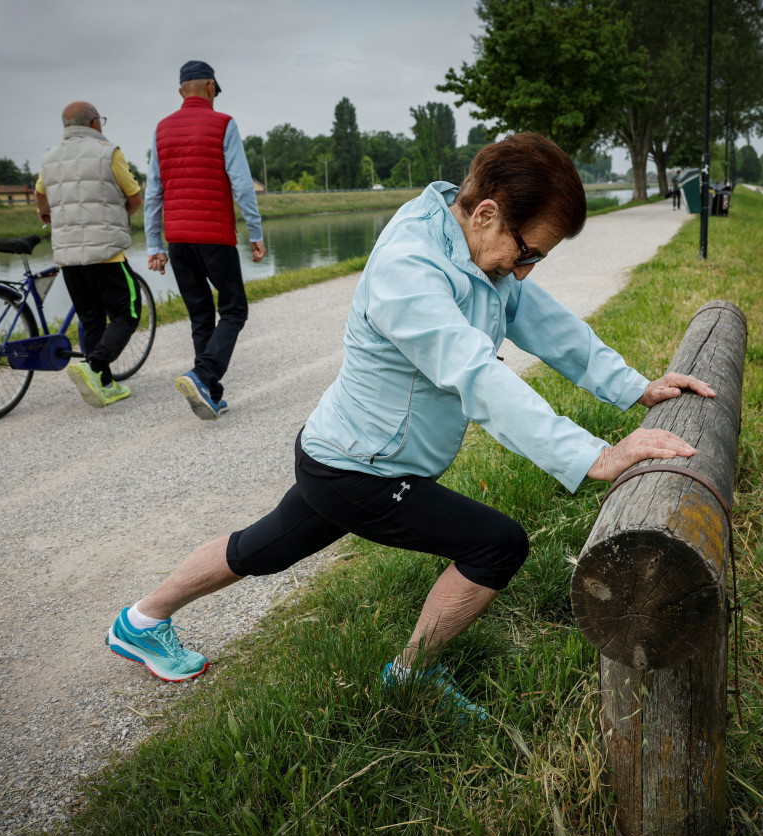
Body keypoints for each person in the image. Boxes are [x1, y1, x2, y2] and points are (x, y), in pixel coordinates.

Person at [107, 134, 714, 717]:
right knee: (496, 545)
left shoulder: (478, 252)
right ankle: (411, 677)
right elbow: (476, 374)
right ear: (485, 213)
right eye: (527, 252)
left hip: (340, 454)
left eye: (538, 259)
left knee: (259, 550)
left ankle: (141, 620)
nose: (524, 270)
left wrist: (635, 386)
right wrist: (592, 456)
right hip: (358, 469)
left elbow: (548, 323)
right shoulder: (410, 267)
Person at [144, 60, 266, 421]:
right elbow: (242, 184)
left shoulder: (162, 129)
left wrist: (155, 245)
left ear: (182, 92)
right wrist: (255, 233)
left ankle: (209, 393)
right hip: (214, 237)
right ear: (211, 87)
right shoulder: (223, 124)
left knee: (200, 314)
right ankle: (202, 375)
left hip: (179, 239)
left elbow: (154, 191)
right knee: (233, 310)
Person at [36, 101, 145, 408]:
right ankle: (93, 366)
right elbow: (134, 197)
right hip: (106, 253)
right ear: (95, 123)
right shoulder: (109, 152)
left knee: (91, 318)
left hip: (69, 257)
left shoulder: (50, 157)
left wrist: (46, 215)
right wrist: (121, 219)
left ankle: (105, 384)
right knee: (128, 312)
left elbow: (40, 195)